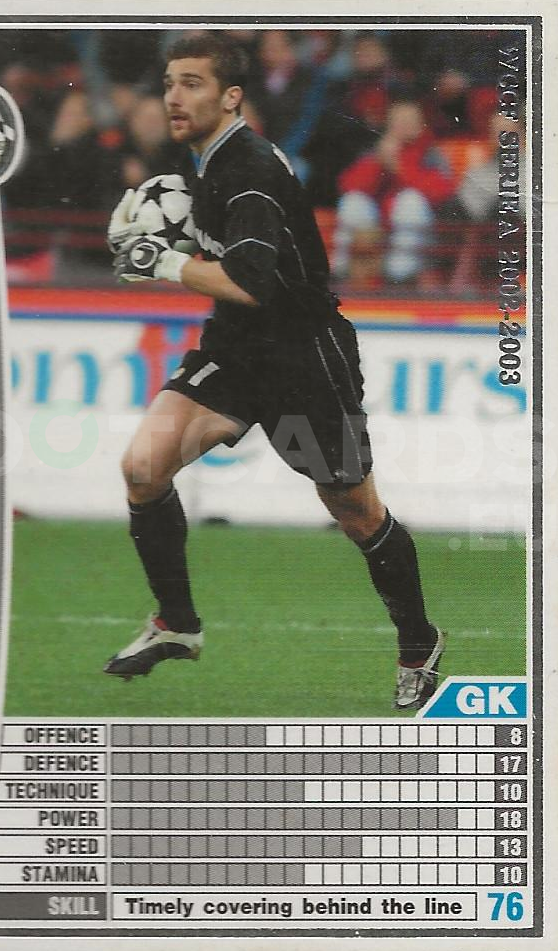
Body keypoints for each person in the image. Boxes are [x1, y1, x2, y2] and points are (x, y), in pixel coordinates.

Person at [104, 33, 444, 710]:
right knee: (143, 467)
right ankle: (177, 624)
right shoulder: (207, 162)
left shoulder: (249, 168)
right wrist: (178, 238)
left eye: (193, 83)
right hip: (235, 348)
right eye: (170, 83)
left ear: (231, 97)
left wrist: (163, 261)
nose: (175, 96)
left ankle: (419, 642)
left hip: (302, 357)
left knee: (355, 511)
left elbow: (251, 282)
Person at [333, 100, 455, 285]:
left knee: (410, 200)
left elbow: (441, 192)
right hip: (379, 227)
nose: (403, 126)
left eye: (409, 120)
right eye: (398, 121)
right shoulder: (378, 151)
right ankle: (343, 270)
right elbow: (349, 186)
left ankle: (400, 276)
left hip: (422, 233)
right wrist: (379, 162)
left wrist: (399, 169)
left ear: (421, 125)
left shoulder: (432, 153)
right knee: (353, 200)